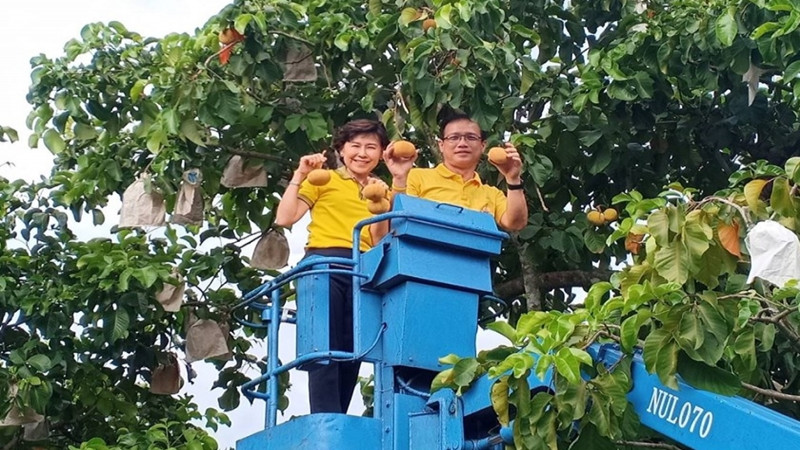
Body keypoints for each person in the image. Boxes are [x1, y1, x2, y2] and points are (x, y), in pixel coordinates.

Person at [274, 119, 390, 414]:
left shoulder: (380, 189)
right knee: (324, 346)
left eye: (371, 147)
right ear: (341, 149)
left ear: (381, 153)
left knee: (353, 350)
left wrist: (382, 204)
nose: (362, 153)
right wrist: (301, 174)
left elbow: (380, 241)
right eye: (355, 146)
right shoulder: (323, 180)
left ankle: (337, 420)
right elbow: (285, 218)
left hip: (362, 269)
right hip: (323, 263)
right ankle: (325, 418)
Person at [384, 112, 528, 231]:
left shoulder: (491, 194)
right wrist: (399, 177)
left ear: (483, 146)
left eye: (470, 137)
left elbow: (515, 223)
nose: (462, 143)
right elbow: (397, 223)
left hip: (471, 262)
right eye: (454, 137)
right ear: (441, 145)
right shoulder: (417, 177)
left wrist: (513, 179)